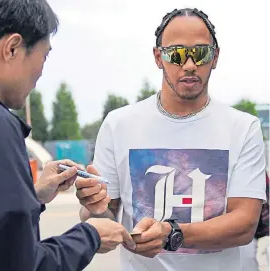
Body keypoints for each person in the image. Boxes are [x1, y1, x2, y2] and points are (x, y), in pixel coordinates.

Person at [75, 8, 267, 271]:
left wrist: (171, 233)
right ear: (158, 57)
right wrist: (94, 206)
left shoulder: (243, 127)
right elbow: (105, 214)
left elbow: (244, 224)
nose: (189, 65)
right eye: (176, 54)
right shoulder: (119, 125)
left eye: (200, 53)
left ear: (215, 56)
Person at [0, 0, 135, 270]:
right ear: (12, 48)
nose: (41, 73)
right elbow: (20, 264)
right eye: (44, 56)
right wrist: (91, 235)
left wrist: (33, 197)